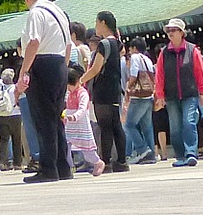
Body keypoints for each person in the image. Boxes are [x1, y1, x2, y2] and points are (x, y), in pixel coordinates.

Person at [15, 0, 72, 183]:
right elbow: (68, 46)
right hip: (59, 64)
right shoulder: (59, 12)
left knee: (43, 119)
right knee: (56, 118)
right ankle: (63, 166)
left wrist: (24, 71)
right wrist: (63, 67)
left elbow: (34, 41)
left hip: (42, 63)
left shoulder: (36, 12)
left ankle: (48, 169)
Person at [152, 18, 203, 166]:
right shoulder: (164, 53)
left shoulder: (192, 50)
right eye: (168, 30)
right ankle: (180, 156)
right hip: (171, 95)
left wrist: (202, 92)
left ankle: (191, 153)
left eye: (173, 30)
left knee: (189, 122)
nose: (170, 33)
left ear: (181, 33)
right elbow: (160, 75)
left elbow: (199, 71)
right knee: (175, 127)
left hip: (190, 93)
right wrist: (160, 95)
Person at [83, 12, 129, 172]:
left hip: (103, 90)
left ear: (103, 22)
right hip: (115, 90)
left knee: (105, 127)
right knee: (116, 126)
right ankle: (122, 161)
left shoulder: (104, 44)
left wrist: (81, 80)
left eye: (96, 22)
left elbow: (96, 68)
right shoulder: (117, 43)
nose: (95, 25)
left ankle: (106, 161)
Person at [63, 67, 104, 175]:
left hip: (81, 125)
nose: (69, 89)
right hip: (70, 126)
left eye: (70, 86)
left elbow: (82, 109)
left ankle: (98, 162)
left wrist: (74, 116)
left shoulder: (83, 93)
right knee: (66, 145)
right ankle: (69, 166)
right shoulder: (69, 94)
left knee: (87, 150)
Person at [122, 44, 157, 164]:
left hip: (139, 96)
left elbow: (134, 73)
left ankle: (142, 150)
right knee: (147, 126)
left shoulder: (135, 57)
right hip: (149, 95)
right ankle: (151, 154)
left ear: (134, 48)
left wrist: (129, 87)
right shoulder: (147, 58)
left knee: (129, 125)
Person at [0, 66, 25, 171]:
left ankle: (2, 163)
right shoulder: (15, 88)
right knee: (16, 140)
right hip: (15, 114)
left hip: (1, 115)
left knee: (3, 140)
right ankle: (17, 163)